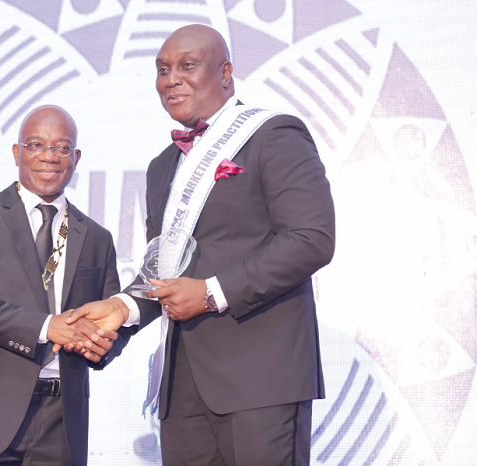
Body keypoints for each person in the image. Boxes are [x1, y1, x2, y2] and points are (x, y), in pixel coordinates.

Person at [64, 24, 335, 465]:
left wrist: (212, 293)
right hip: (182, 385)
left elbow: (311, 240)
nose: (171, 79)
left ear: (225, 72)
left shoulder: (274, 134)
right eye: (162, 70)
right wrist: (122, 308)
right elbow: (166, 270)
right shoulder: (161, 167)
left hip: (260, 378)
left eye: (187, 66)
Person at [0, 105, 134, 466]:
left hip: (62, 421)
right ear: (17, 152)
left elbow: (111, 316)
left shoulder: (97, 237)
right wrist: (45, 327)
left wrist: (99, 345)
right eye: (36, 145)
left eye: (62, 147)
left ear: (76, 157)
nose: (49, 157)